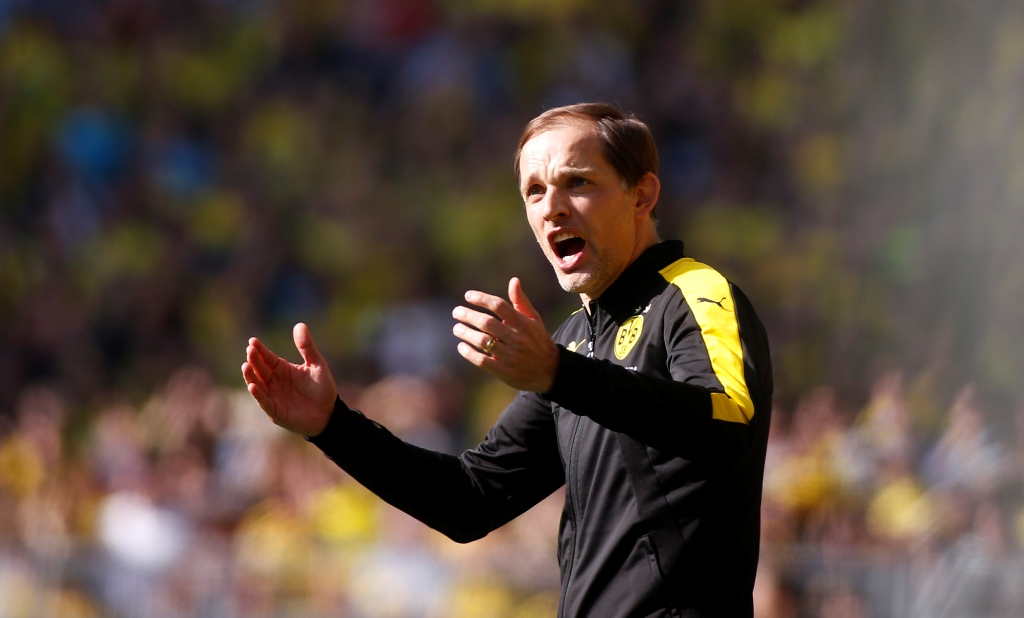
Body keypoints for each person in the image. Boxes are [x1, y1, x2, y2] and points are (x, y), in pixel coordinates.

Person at [241, 102, 773, 617]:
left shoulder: (695, 293)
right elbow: (470, 500)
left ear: (642, 195)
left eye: (578, 182)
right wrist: (333, 427)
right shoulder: (571, 344)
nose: (552, 207)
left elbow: (729, 422)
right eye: (534, 191)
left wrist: (561, 375)